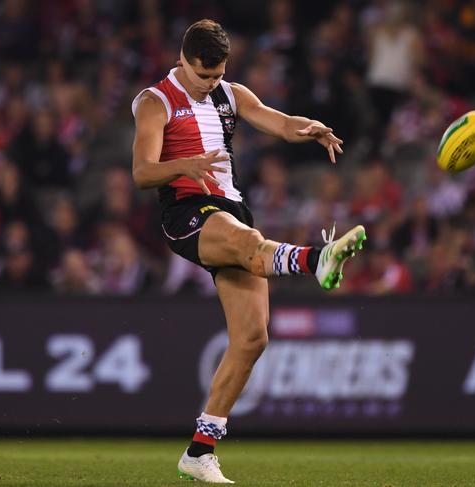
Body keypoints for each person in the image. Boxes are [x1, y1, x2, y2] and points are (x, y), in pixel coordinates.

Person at [131, 19, 366, 483]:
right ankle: (318, 260)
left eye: (218, 75)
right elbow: (141, 171)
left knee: (252, 338)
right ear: (182, 59)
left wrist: (310, 128)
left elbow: (276, 121)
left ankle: (200, 451)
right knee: (248, 245)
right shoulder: (155, 101)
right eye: (204, 76)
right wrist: (186, 165)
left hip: (232, 208)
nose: (211, 84)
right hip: (186, 211)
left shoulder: (231, 94)